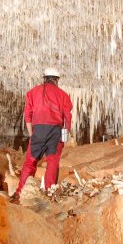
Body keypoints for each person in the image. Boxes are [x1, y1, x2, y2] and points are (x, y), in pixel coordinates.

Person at [12, 67, 72, 203]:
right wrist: (64, 138)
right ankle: (50, 192)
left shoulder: (32, 92)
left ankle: (20, 192)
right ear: (57, 80)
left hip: (38, 129)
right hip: (55, 131)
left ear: (44, 78)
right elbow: (67, 119)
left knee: (30, 162)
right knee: (52, 161)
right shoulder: (63, 95)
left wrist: (32, 134)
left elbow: (28, 115)